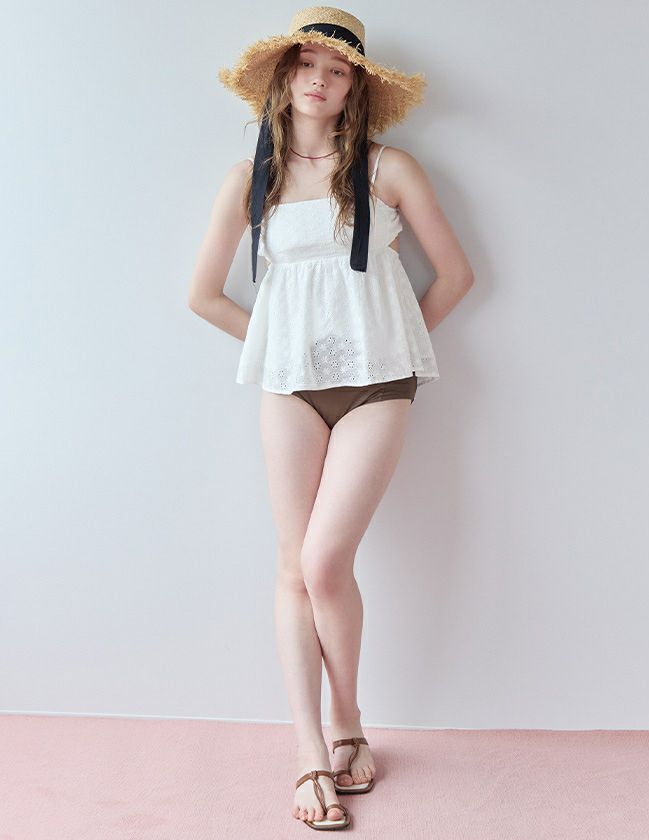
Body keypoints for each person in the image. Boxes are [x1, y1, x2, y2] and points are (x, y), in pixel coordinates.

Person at [188, 6, 474, 831]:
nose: (319, 79)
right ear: (284, 78)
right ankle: (314, 748)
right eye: (306, 64)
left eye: (337, 69)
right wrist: (284, 350)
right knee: (293, 566)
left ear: (355, 87)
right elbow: (203, 296)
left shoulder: (389, 169)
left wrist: (388, 344)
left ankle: (350, 717)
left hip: (378, 385)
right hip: (291, 389)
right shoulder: (249, 182)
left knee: (324, 561)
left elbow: (456, 275)